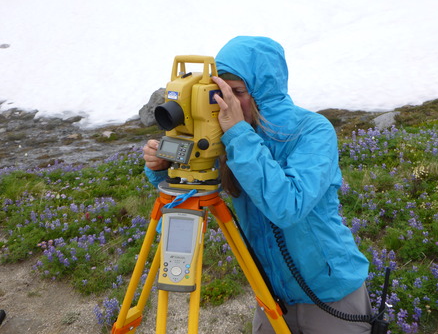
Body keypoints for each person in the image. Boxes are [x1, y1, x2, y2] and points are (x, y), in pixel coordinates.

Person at [143, 36, 372, 334]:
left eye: (237, 92)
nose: (225, 104)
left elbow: (288, 206)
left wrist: (238, 133)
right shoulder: (230, 136)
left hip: (331, 293)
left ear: (264, 92)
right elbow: (197, 180)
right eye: (218, 92)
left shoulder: (312, 130)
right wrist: (164, 168)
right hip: (271, 296)